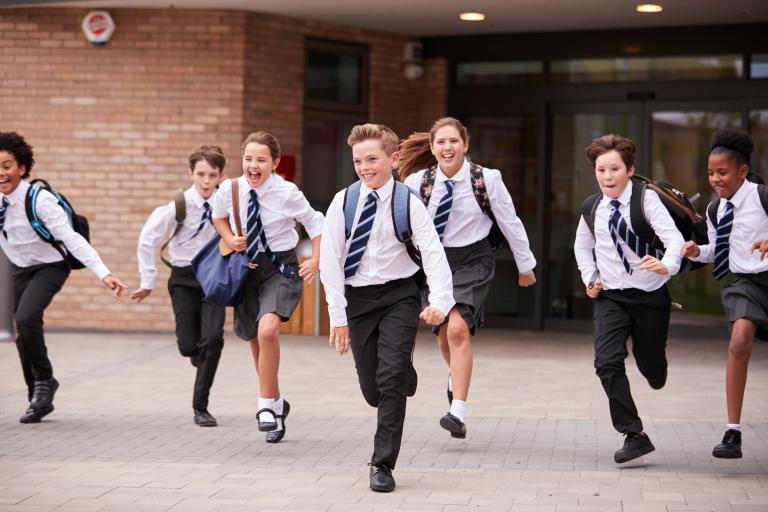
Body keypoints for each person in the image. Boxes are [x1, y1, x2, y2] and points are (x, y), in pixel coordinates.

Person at [320, 123, 454, 492]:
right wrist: (338, 317)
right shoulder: (342, 202)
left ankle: (382, 464)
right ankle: (402, 372)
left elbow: (432, 252)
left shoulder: (407, 202)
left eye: (372, 159)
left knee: (390, 379)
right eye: (358, 161)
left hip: (399, 296)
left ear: (393, 160)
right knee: (373, 391)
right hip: (358, 300)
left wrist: (440, 301)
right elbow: (329, 262)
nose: (365, 167)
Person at [399, 117, 537, 439]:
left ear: (466, 144)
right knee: (443, 335)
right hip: (435, 264)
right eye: (441, 142)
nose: (448, 147)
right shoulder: (418, 183)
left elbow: (510, 221)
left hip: (474, 259)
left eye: (453, 141)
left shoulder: (486, 179)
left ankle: (458, 411)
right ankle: (454, 375)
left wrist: (525, 265)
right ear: (432, 148)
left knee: (458, 329)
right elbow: (398, 224)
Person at [0, 131, 127, 423]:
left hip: (51, 265)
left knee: (27, 317)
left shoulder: (40, 200)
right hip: (19, 267)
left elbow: (71, 239)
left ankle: (45, 381)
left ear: (21, 168)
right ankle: (38, 395)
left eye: (7, 165)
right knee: (22, 329)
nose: (1, 172)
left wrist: (103, 274)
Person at [573, 134, 684, 463]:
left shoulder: (646, 200)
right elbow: (582, 246)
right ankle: (633, 433)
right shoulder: (593, 206)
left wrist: (666, 265)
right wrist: (590, 277)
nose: (607, 177)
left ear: (630, 169)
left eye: (614, 169)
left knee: (651, 365)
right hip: (611, 297)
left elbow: (674, 241)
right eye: (601, 170)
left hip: (650, 296)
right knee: (606, 362)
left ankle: (655, 369)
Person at [212, 131, 323, 443]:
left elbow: (315, 221)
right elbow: (218, 217)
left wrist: (316, 257)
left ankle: (263, 407)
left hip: (281, 268)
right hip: (245, 269)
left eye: (261, 159)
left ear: (274, 163)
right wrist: (229, 237)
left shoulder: (287, 192)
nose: (253, 165)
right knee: (255, 341)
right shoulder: (229, 189)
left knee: (268, 331)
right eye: (248, 159)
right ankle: (276, 404)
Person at [681, 128, 768, 459]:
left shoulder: (762, 197)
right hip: (746, 283)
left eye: (722, 172)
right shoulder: (717, 210)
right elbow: (719, 249)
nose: (715, 179)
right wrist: (695, 251)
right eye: (710, 173)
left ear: (742, 170)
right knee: (738, 340)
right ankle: (733, 432)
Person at [131, 145, 226, 427]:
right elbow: (147, 239)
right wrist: (148, 281)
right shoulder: (178, 205)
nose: (206, 181)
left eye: (212, 175)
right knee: (188, 346)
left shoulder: (227, 203)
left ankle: (201, 407)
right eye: (200, 174)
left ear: (221, 175)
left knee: (213, 340)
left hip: (213, 276)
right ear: (191, 173)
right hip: (183, 278)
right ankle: (199, 357)